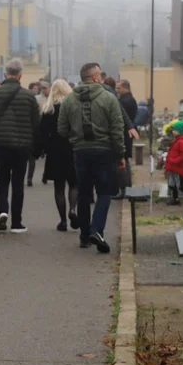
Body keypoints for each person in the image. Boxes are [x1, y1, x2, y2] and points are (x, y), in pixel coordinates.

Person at [58, 62, 125, 254]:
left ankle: (84, 236)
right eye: (100, 74)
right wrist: (120, 154)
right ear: (95, 77)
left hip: (80, 151)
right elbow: (117, 128)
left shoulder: (69, 100)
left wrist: (75, 139)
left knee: (84, 193)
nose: (102, 77)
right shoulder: (108, 98)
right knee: (104, 192)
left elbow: (61, 129)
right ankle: (97, 230)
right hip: (104, 151)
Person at [0, 58, 40, 233]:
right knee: (18, 183)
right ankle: (17, 222)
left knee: (3, 179)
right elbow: (36, 124)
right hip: (22, 146)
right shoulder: (29, 96)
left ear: (5, 74)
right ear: (20, 76)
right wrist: (36, 147)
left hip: (0, 144)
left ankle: (3, 211)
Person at [36, 79, 77, 232]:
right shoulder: (73, 108)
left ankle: (63, 221)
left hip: (55, 152)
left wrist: (39, 150)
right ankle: (73, 209)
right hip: (72, 149)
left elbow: (42, 133)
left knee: (59, 188)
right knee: (74, 183)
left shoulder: (48, 109)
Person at [104, 76, 140, 199]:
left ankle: (124, 189)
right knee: (124, 162)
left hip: (124, 134)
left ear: (126, 88)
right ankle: (125, 188)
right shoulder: (128, 99)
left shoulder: (125, 101)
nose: (117, 90)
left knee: (122, 162)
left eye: (119, 88)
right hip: (125, 134)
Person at [25, 82, 43, 187]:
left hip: (22, 137)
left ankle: (27, 177)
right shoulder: (35, 110)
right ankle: (29, 178)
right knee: (31, 160)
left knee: (24, 160)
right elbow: (37, 124)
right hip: (31, 136)